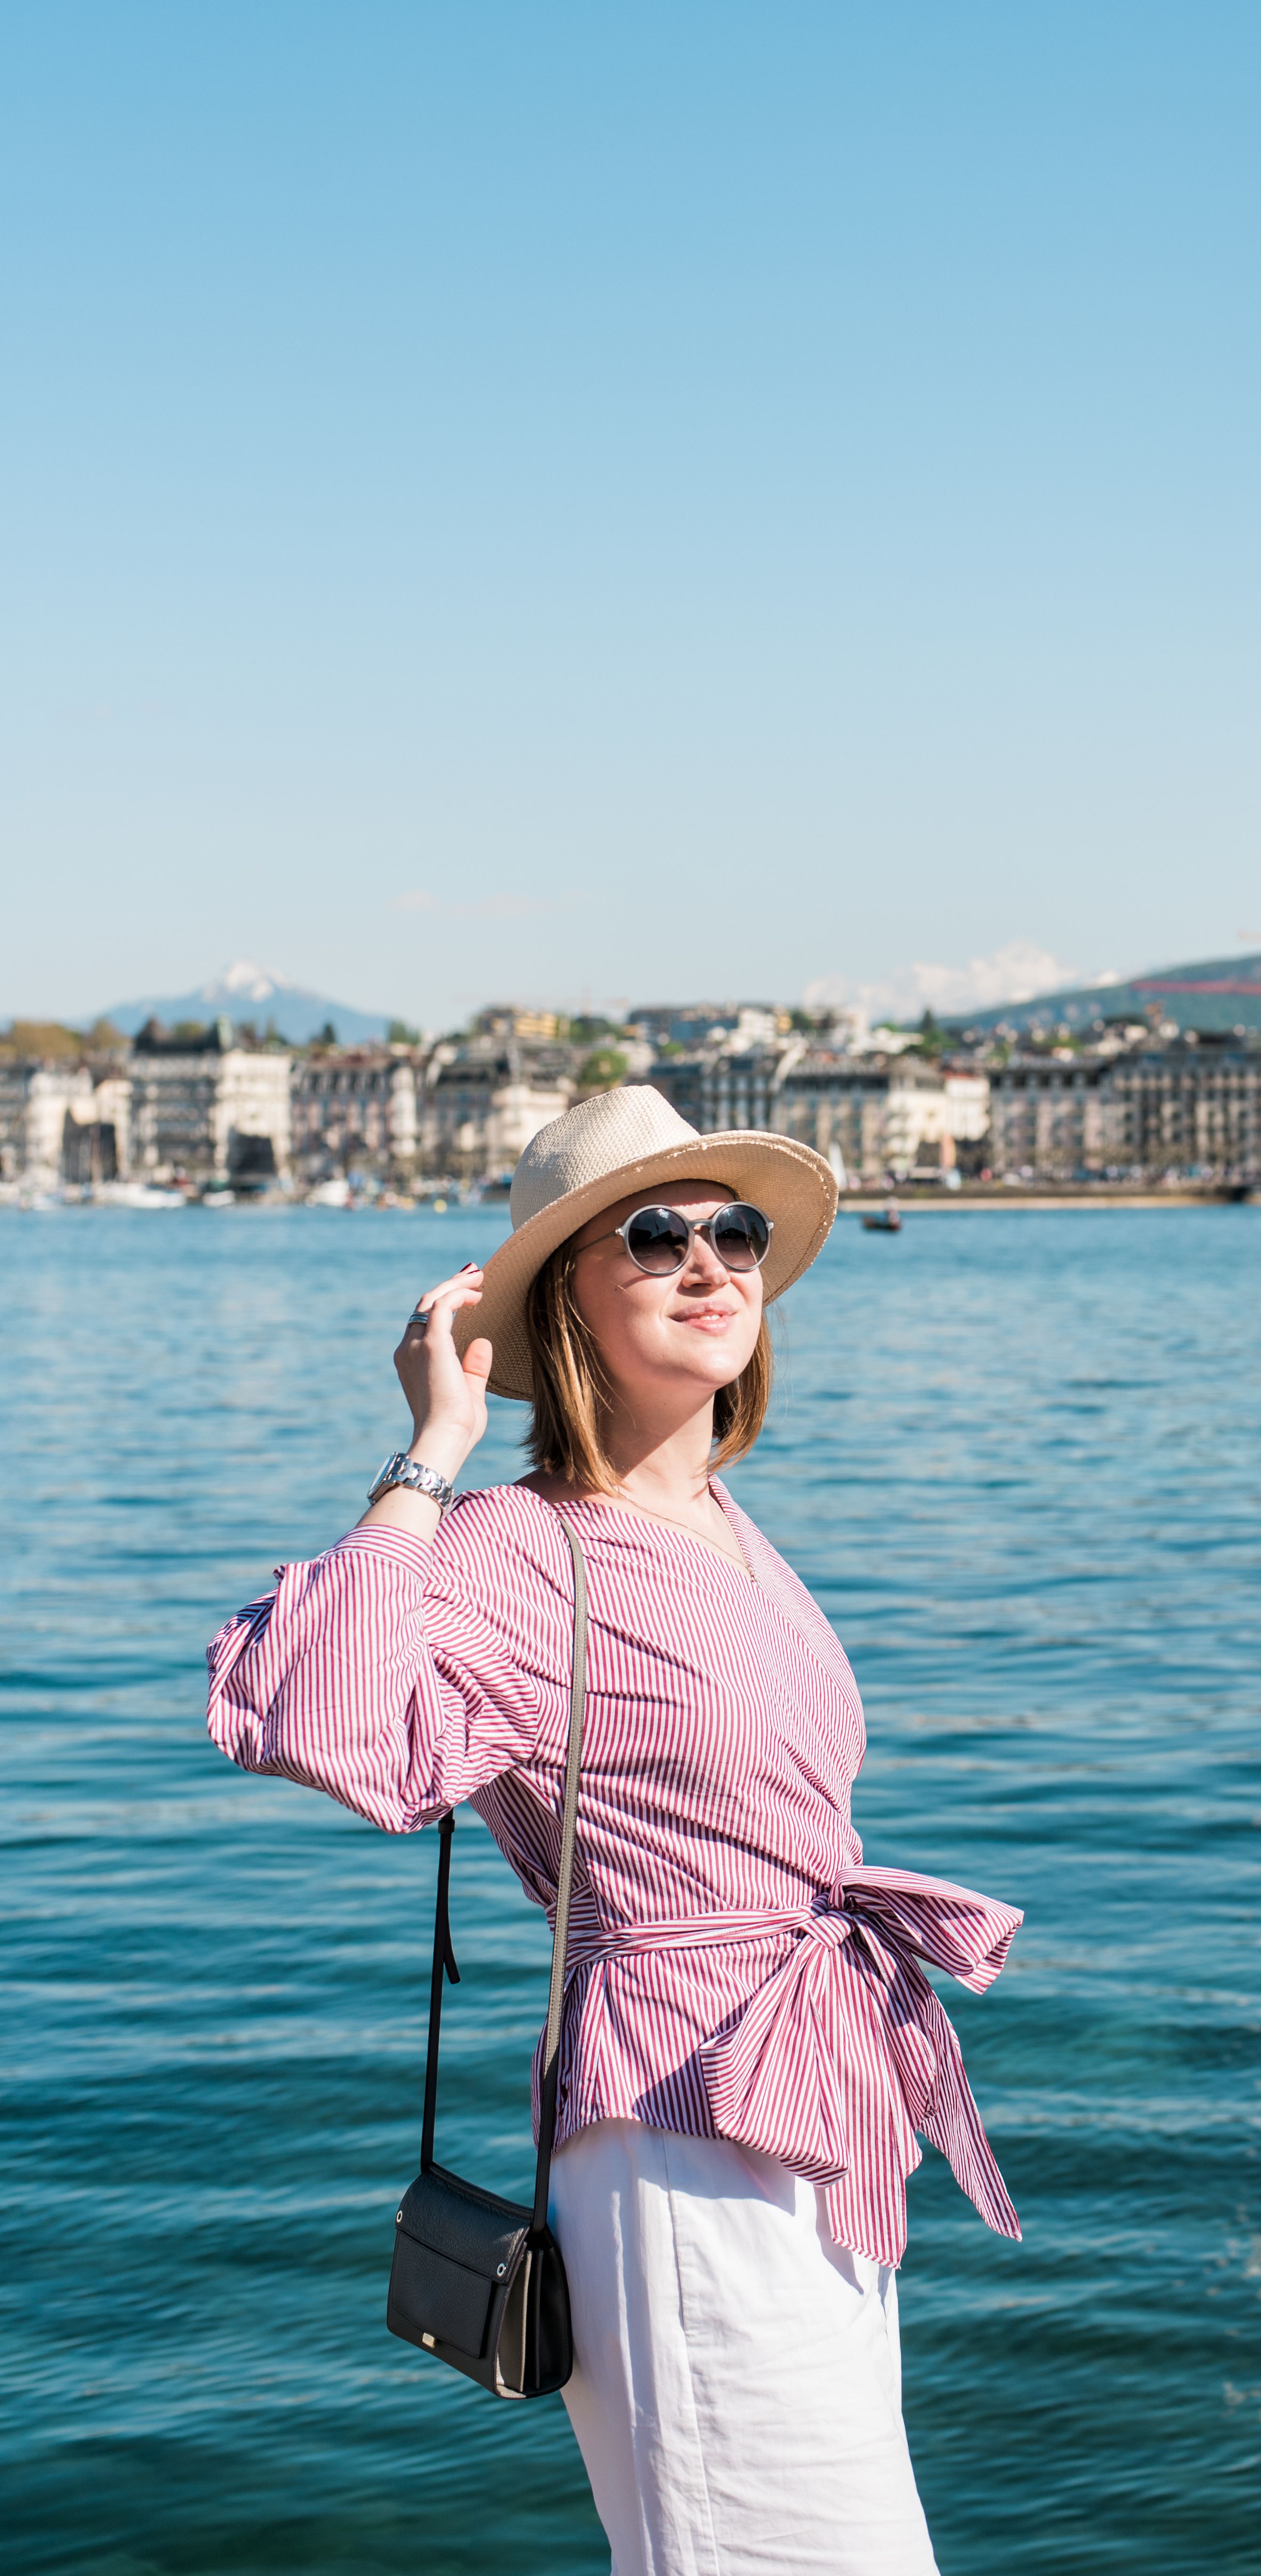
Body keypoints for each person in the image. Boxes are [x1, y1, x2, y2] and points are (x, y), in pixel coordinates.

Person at [206, 1087, 1021, 2575]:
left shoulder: (723, 1521)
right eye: (659, 1234)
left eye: (738, 1232)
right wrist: (430, 1454)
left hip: (804, 2109)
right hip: (676, 2112)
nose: (714, 1263)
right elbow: (296, 1703)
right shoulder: (523, 1545)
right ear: (566, 1298)